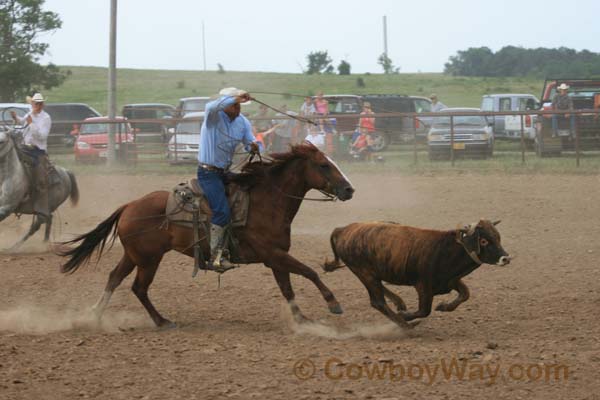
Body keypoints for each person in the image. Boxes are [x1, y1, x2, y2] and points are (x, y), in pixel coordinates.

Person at [197, 87, 261, 270]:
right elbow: (211, 106)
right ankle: (215, 257)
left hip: (223, 172)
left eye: (239, 105)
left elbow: (250, 142)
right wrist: (235, 97)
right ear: (225, 104)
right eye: (234, 104)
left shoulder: (243, 122)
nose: (237, 108)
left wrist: (254, 147)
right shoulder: (213, 117)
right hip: (207, 173)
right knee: (222, 211)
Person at [11, 92, 52, 219]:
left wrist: (31, 124)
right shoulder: (30, 114)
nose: (37, 105)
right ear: (32, 104)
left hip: (38, 150)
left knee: (40, 180)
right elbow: (21, 122)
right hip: (25, 147)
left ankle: (42, 208)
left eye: (39, 103)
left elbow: (42, 136)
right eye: (35, 103)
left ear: (42, 105)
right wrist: (15, 118)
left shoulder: (46, 118)